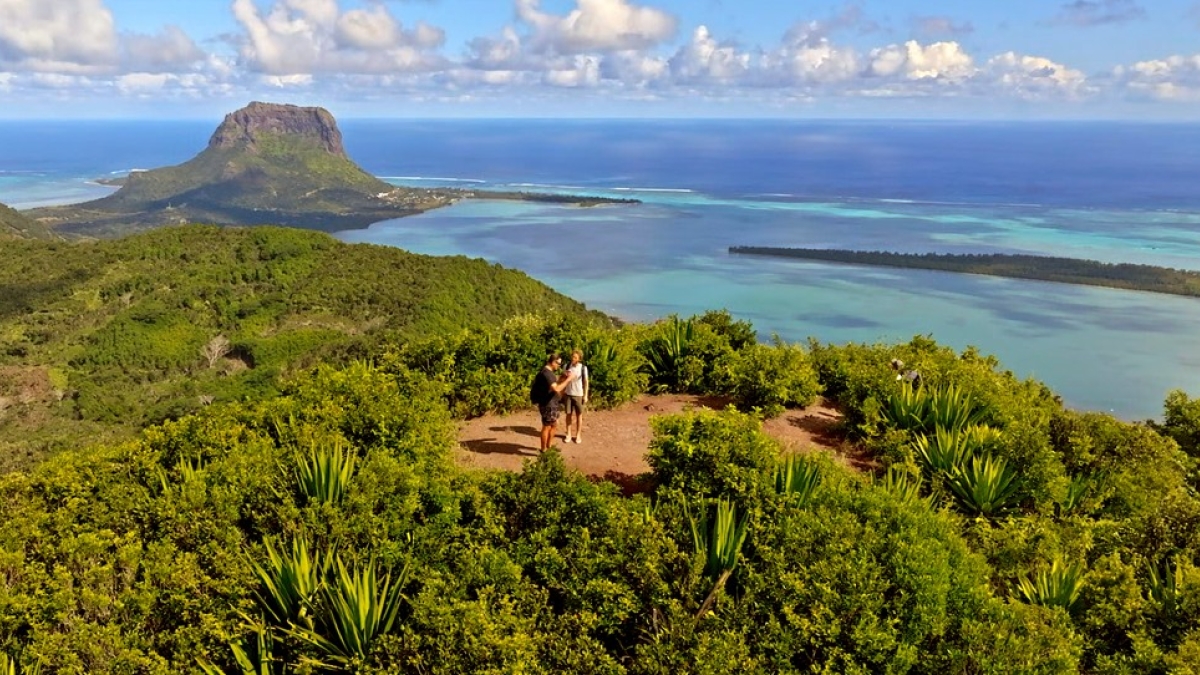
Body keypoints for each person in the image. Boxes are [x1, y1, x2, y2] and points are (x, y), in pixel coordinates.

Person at [533, 353, 574, 452]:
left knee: (554, 425)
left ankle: (549, 446)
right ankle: (544, 449)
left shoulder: (547, 372)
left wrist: (562, 378)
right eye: (558, 364)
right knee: (547, 426)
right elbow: (557, 388)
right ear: (553, 362)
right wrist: (569, 379)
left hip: (550, 403)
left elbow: (553, 386)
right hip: (548, 404)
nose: (559, 366)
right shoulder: (547, 373)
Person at [562, 349, 589, 443]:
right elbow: (562, 379)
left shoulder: (583, 368)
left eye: (575, 357)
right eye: (572, 356)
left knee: (579, 415)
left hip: (578, 394)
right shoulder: (567, 366)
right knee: (568, 414)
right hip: (568, 394)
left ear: (579, 359)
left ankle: (578, 435)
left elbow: (586, 382)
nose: (573, 358)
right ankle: (568, 434)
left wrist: (585, 395)